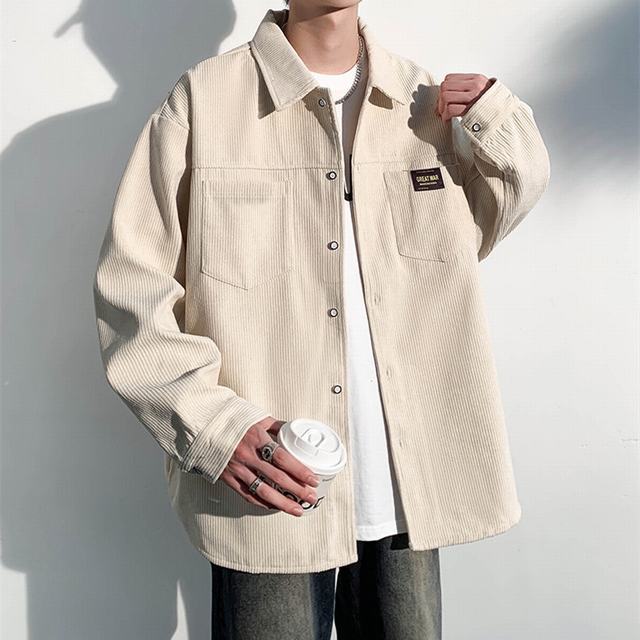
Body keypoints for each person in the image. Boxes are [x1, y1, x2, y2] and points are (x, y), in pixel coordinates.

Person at [92, 2, 550, 638]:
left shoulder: (423, 102)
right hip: (271, 477)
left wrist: (499, 121)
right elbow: (131, 289)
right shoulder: (205, 101)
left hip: (405, 485)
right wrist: (215, 428)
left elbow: (488, 219)